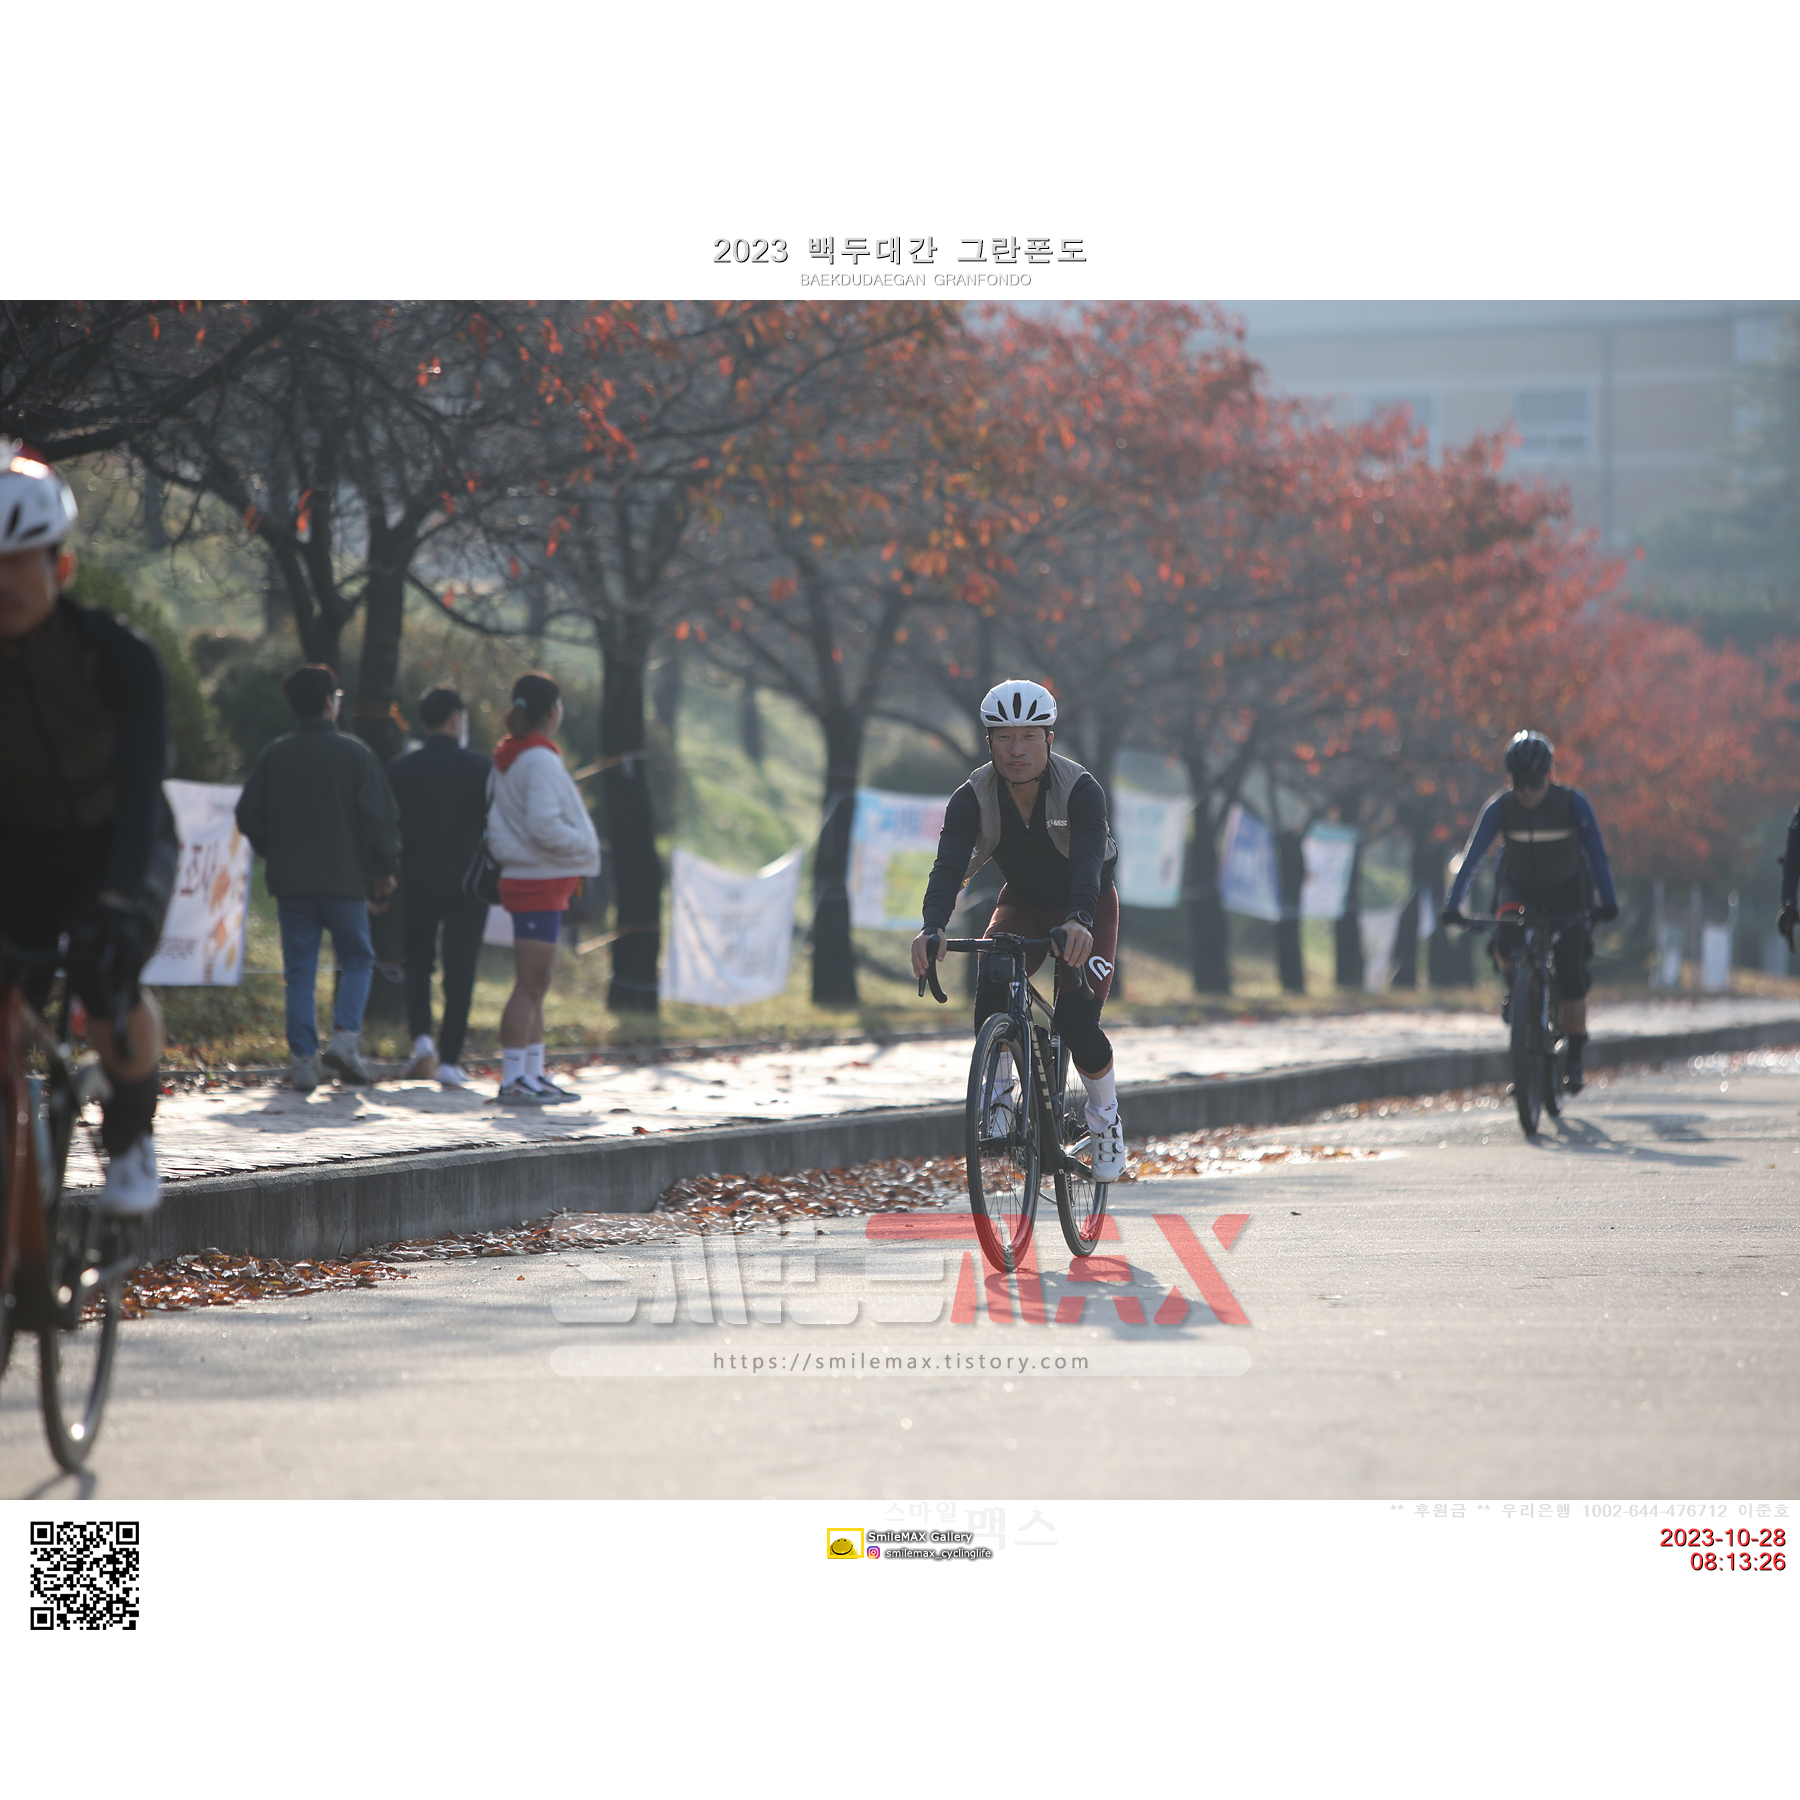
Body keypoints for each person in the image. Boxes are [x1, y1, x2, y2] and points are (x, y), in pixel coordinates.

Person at [0, 441, 176, 1217]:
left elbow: (140, 794)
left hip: (116, 838)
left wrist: (116, 905)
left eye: (19, 563)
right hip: (19, 846)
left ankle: (132, 1133)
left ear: (60, 567)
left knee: (107, 973)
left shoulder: (118, 656)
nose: (3, 583)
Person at [910, 679, 1128, 1182]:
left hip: (1088, 905)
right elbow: (948, 866)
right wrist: (932, 926)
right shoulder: (973, 797)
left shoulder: (1081, 790)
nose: (1016, 750)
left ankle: (1106, 1119)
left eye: (1028, 737)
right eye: (1004, 737)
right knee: (992, 979)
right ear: (989, 742)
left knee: (1077, 1023)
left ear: (1049, 739)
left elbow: (1089, 861)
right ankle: (1000, 1098)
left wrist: (1079, 919)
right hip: (1024, 903)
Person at [235, 666, 401, 1091]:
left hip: (292, 885)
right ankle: (344, 1040)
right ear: (329, 702)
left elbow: (247, 812)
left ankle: (304, 1062)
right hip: (345, 883)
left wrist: (275, 847)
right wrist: (384, 869)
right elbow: (379, 819)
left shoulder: (276, 754)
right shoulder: (355, 753)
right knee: (357, 959)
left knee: (299, 974)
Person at [1441, 729, 1620, 1094]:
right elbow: (1472, 858)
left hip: (1568, 890)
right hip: (1519, 885)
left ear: (1550, 776)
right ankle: (1517, 990)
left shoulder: (1572, 804)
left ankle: (1574, 1056)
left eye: (1535, 783)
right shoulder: (1500, 807)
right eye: (1519, 784)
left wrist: (1608, 900)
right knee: (1504, 936)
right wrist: (1453, 904)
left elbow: (1597, 856)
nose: (1526, 792)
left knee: (1570, 968)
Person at [485, 671, 599, 1105]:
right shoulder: (538, 760)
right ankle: (514, 1077)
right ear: (552, 710)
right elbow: (543, 825)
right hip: (537, 881)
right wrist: (584, 845)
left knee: (537, 984)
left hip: (536, 880)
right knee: (529, 984)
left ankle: (532, 1073)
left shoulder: (515, 757)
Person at [386, 686, 491, 1087]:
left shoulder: (402, 768)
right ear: (455, 719)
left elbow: (390, 826)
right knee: (460, 968)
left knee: (417, 962)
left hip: (416, 878)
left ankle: (422, 1041)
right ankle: (449, 1060)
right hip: (468, 884)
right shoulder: (479, 767)